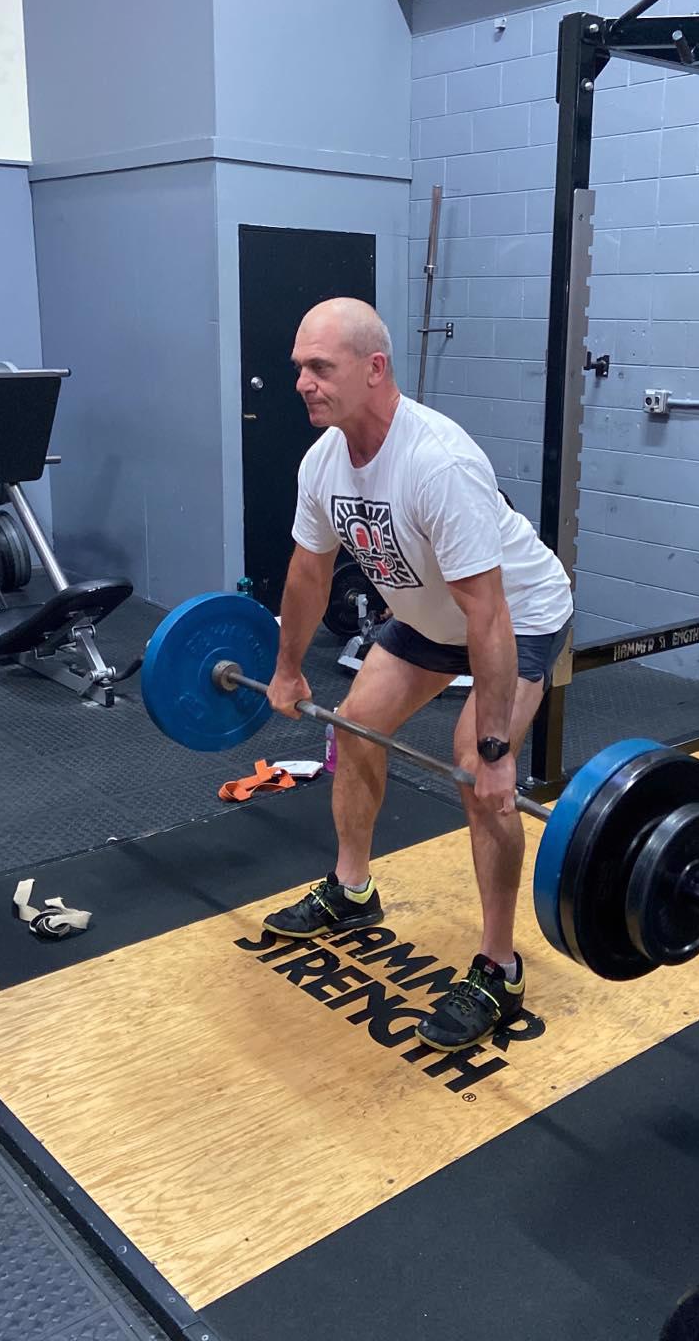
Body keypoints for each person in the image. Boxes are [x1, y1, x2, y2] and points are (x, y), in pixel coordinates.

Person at [264, 297, 573, 1051]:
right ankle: (352, 889)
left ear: (375, 369)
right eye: (299, 368)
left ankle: (498, 967)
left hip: (517, 613)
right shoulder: (323, 462)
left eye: (319, 367)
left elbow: (488, 615)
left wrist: (496, 752)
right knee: (355, 727)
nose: (302, 383)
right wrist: (288, 670)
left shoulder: (438, 461)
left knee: (476, 772)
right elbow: (308, 573)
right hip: (431, 614)